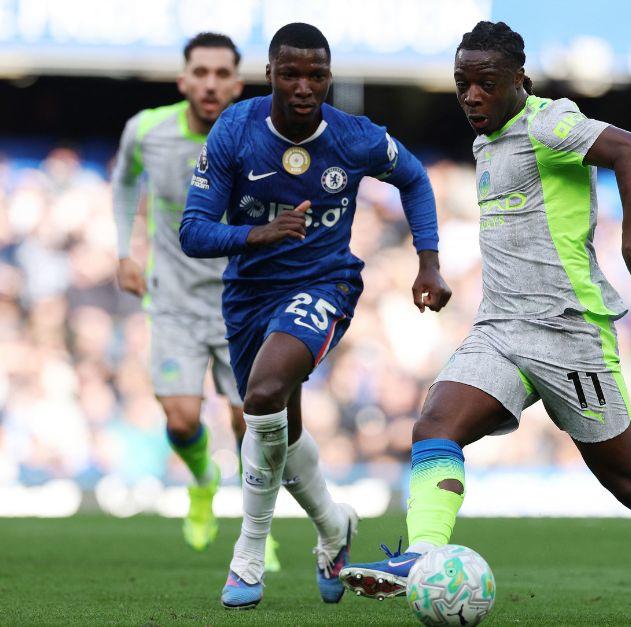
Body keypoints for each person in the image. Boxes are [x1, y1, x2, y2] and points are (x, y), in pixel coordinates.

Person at [340, 21, 631, 622]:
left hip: (568, 330)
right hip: (500, 329)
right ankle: (422, 555)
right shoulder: (485, 143)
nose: (472, 96)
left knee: (629, 483)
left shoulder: (549, 122)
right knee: (433, 426)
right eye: (462, 84)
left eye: (486, 84)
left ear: (519, 82)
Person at [180, 22, 450, 610]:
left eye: (317, 75)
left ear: (330, 78)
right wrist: (259, 233)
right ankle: (334, 528)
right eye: (292, 74)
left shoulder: (355, 136)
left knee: (263, 392)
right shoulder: (236, 130)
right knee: (282, 425)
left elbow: (414, 178)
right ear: (271, 74)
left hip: (323, 284)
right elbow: (192, 232)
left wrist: (428, 261)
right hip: (248, 296)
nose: (305, 87)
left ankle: (249, 553)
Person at [111, 32, 285, 569]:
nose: (210, 84)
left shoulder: (263, 134)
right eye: (200, 73)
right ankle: (204, 483)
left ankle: (257, 529)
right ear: (183, 79)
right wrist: (125, 252)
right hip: (174, 302)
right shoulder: (145, 131)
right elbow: (122, 185)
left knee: (247, 424)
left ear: (237, 82)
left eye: (221, 74)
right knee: (183, 420)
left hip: (241, 302)